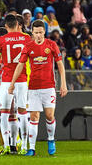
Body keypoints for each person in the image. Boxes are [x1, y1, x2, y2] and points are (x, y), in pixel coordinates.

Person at [9, 19, 68, 156]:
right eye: (36, 33)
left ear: (44, 32)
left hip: (49, 87)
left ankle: (51, 140)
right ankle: (32, 148)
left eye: (41, 32)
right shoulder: (28, 46)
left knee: (49, 115)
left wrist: (63, 83)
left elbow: (60, 65)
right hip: (33, 87)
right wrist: (12, 83)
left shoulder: (52, 45)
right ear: (32, 33)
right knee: (34, 117)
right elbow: (20, 66)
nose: (39, 35)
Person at [0, 14, 31, 155]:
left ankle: (6, 145)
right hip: (22, 80)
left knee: (4, 114)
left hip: (6, 80)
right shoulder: (27, 38)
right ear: (17, 24)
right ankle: (23, 145)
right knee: (22, 113)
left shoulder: (1, 40)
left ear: (6, 26)